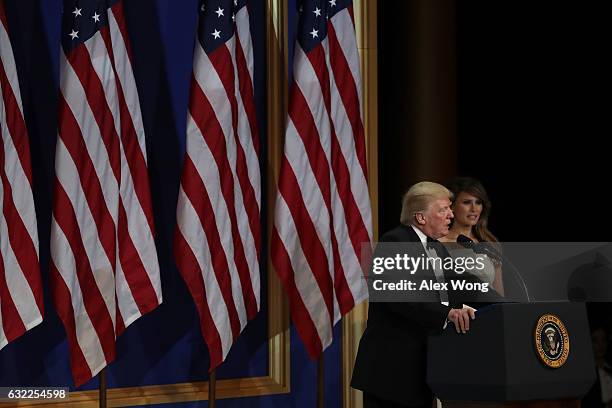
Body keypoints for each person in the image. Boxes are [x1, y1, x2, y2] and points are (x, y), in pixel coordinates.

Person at [351, 181, 476, 408]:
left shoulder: (436, 247)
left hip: (422, 370)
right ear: (421, 218)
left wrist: (496, 302)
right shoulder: (395, 242)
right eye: (443, 209)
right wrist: (447, 313)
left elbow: (459, 288)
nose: (451, 215)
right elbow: (402, 299)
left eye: (450, 208)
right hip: (391, 372)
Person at [439, 177, 504, 295]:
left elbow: (499, 294)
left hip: (488, 311)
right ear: (452, 206)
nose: (474, 209)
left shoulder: (489, 244)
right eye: (467, 202)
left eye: (478, 202)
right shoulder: (438, 242)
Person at [583, 326, 612, 408]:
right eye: (595, 340)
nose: (600, 345)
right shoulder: (586, 373)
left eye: (603, 340)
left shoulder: (609, 369)